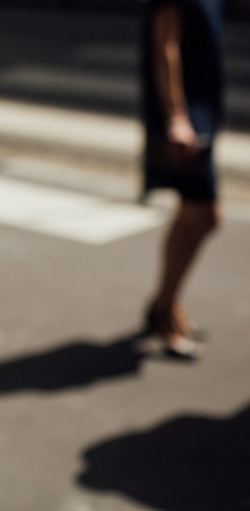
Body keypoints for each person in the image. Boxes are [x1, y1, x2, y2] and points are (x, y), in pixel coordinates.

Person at [141, 0, 225, 359]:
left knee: (200, 213)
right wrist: (176, 116)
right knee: (203, 213)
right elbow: (166, 43)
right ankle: (164, 309)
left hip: (200, 109)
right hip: (184, 115)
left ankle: (166, 303)